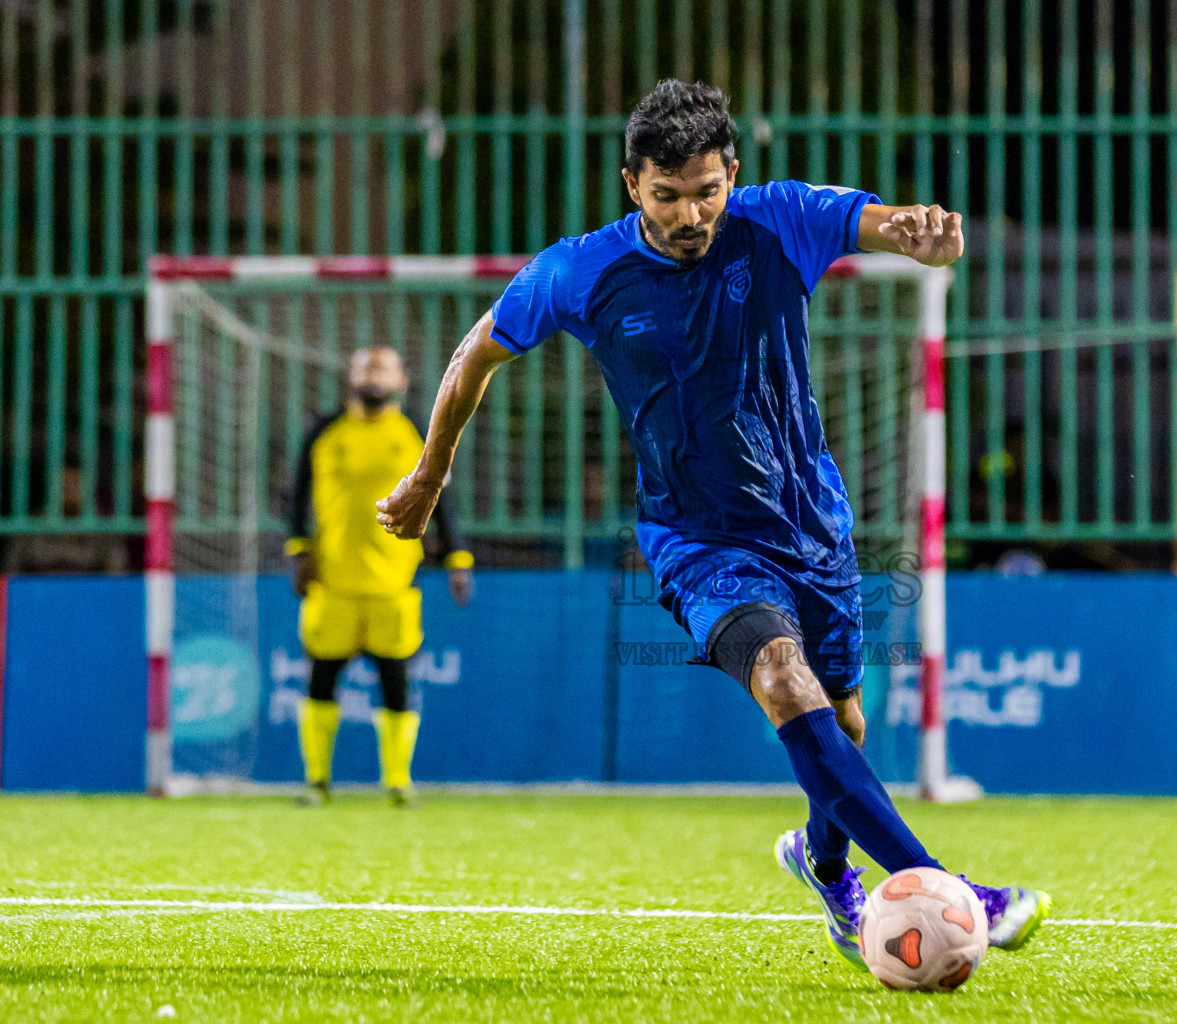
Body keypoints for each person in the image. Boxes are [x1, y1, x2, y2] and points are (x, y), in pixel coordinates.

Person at [376, 81, 1049, 967]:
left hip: (811, 525)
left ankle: (825, 866)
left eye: (706, 189)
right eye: (667, 195)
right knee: (781, 677)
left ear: (732, 173)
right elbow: (474, 355)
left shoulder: (779, 221)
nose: (690, 214)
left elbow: (884, 223)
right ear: (631, 185)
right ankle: (950, 889)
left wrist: (923, 233)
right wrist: (430, 473)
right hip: (696, 539)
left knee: (841, 719)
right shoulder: (581, 271)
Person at [288, 346, 474, 806]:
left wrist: (458, 558)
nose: (374, 374)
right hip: (333, 580)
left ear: (403, 379)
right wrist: (297, 551)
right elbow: (294, 495)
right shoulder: (325, 431)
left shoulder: (416, 432)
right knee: (321, 678)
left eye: (384, 366)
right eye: (366, 367)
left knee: (395, 680)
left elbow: (440, 499)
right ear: (348, 377)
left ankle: (397, 781)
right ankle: (316, 782)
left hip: (395, 582)